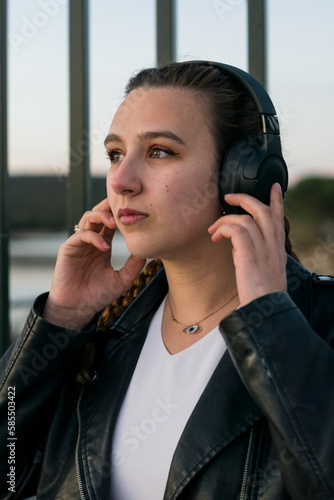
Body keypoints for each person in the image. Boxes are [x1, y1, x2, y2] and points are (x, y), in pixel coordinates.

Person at [0, 60, 334, 500]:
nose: (120, 180)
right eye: (116, 154)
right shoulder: (101, 335)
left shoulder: (319, 326)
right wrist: (59, 323)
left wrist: (271, 327)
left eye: (160, 151)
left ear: (246, 174)